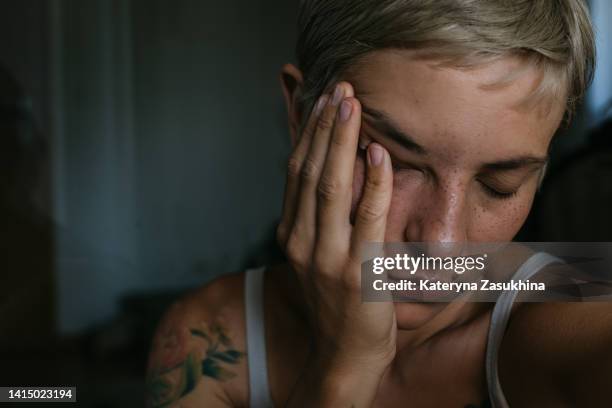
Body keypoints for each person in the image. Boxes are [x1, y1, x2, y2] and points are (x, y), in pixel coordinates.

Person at [146, 1, 609, 407]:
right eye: (394, 161)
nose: (442, 245)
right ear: (300, 113)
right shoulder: (207, 337)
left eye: (499, 184)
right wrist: (346, 366)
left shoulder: (564, 313)